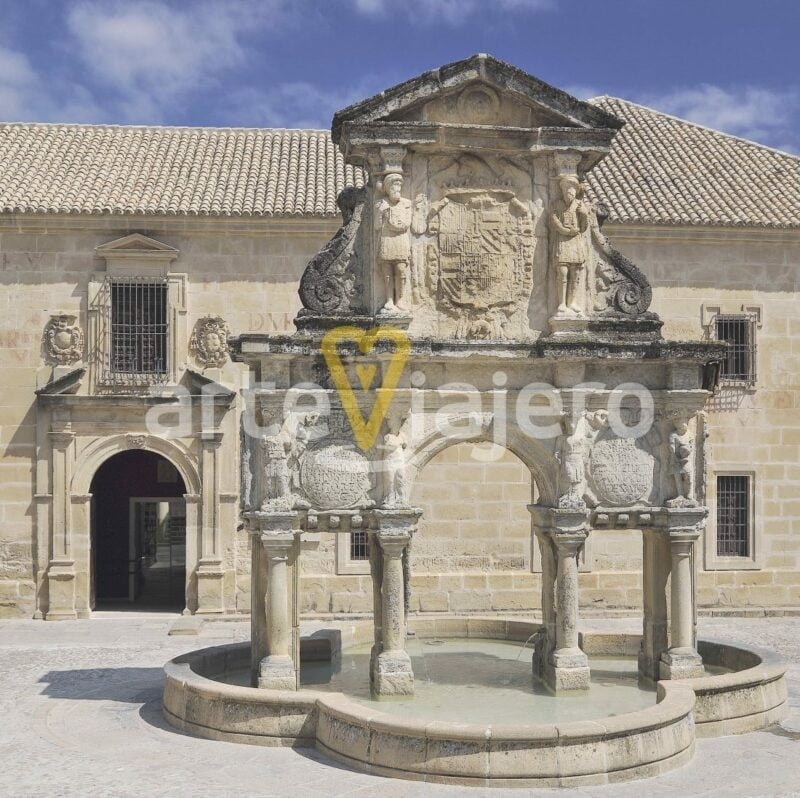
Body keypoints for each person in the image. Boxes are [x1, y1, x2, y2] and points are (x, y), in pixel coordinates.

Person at [550, 175, 589, 315]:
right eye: (566, 189)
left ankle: (572, 302)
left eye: (572, 190)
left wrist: (584, 215)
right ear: (562, 191)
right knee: (562, 272)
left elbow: (584, 227)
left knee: (576, 273)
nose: (569, 193)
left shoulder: (580, 205)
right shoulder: (556, 205)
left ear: (575, 191)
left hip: (576, 241)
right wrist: (566, 231)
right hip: (563, 240)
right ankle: (561, 303)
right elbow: (555, 222)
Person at [376, 173, 413, 311]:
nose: (397, 190)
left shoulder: (406, 204)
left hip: (401, 239)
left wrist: (397, 225)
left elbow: (407, 223)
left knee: (401, 269)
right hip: (386, 239)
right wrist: (380, 212)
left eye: (398, 187)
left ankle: (400, 299)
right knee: (387, 270)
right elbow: (376, 226)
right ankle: (389, 300)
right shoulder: (381, 204)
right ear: (387, 188)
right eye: (393, 187)